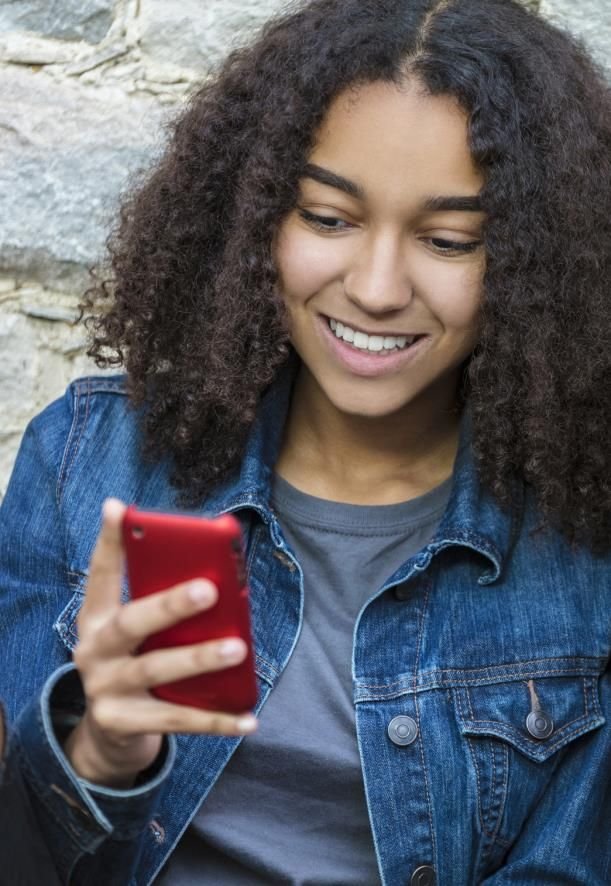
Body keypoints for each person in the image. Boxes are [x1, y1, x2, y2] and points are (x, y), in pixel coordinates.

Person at [0, 0, 609, 882]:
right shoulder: (88, 459)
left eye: (447, 240)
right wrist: (99, 753)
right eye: (328, 219)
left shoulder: (582, 538)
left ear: (531, 265)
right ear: (254, 220)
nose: (375, 286)